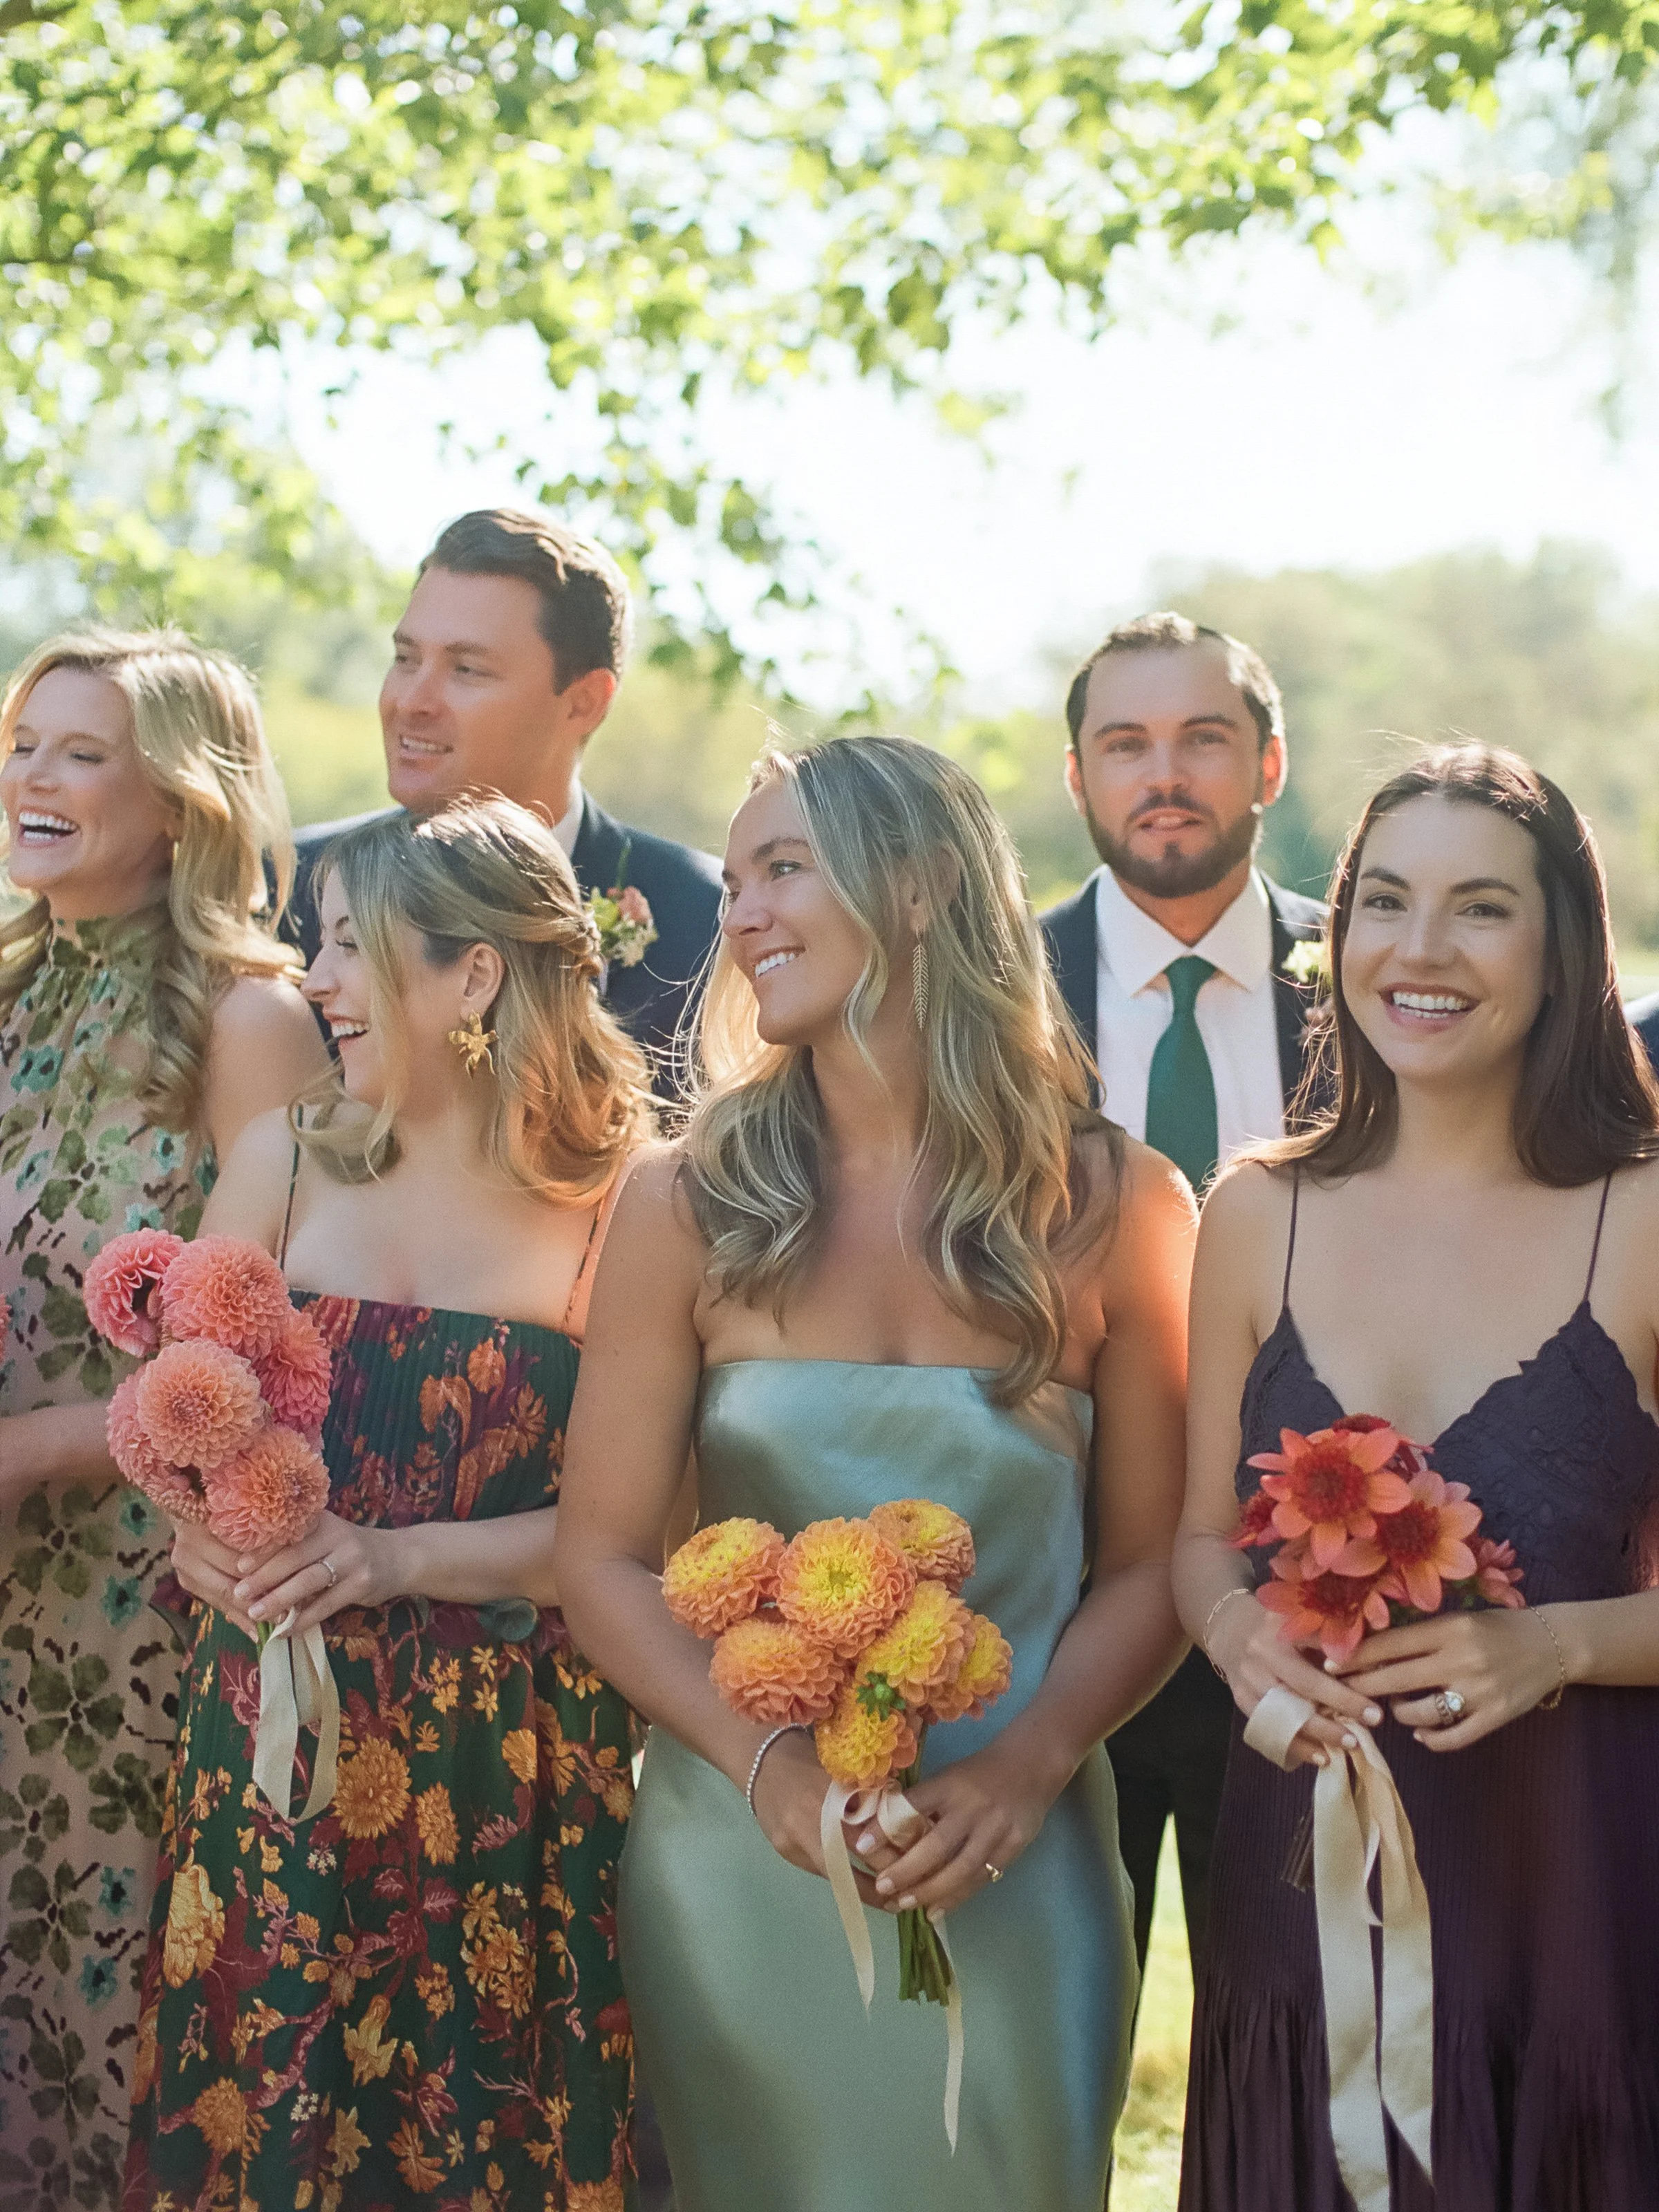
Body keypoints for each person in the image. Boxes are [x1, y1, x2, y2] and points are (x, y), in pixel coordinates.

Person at [554, 735, 1195, 2211]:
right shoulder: (685, 1198)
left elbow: (1159, 1559)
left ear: (915, 889)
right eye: (737, 878)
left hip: (1014, 1845)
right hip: (746, 1851)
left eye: (784, 867)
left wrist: (1031, 1764)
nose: (742, 911)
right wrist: (769, 1766)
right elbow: (601, 1560)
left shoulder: (1119, 1199)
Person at [124, 800, 654, 2208]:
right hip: (275, 1736)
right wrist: (204, 1535)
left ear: (471, 974)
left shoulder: (623, 1203)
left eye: (352, 946)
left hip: (510, 1762)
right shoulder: (283, 1159)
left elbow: (635, 1530)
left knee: (483, 2136)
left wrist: (391, 1553)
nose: (322, 982)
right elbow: (185, 1426)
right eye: (321, 943)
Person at [1174, 745, 1659, 2209]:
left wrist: (1556, 1641)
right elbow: (1195, 1543)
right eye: (1384, 901)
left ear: (1566, 949)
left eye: (1482, 909)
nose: (1421, 951)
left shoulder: (1641, 1214)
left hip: (1574, 1896)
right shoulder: (1256, 1212)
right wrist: (1236, 1632)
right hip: (1301, 1887)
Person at [0, 629, 325, 2211]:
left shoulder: (246, 1020)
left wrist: (37, 1453)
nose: (32, 777)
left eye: (80, 752)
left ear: (184, 797)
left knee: (96, 2017)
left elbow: (277, 1346)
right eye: (23, 742)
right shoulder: (5, 985)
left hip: (133, 1605)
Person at [1040, 610, 1326, 1990]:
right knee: (1042, 2061)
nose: (1167, 773)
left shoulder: (1384, 983)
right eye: (1127, 744)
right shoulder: (993, 1001)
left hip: (1311, 1604)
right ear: (1080, 777)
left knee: (1297, 2047)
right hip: (1048, 1605)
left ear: (1268, 766)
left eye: (1204, 739)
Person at [287, 507, 722, 1090]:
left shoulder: (710, 925)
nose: (411, 701)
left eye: (467, 669)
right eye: (405, 659)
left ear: (585, 701)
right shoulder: (289, 888)